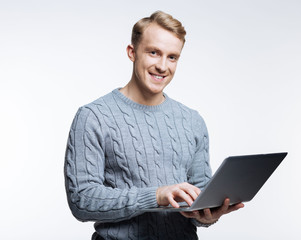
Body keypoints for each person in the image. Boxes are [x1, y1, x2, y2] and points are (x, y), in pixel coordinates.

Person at [64, 11, 244, 240]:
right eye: (153, 53)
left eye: (172, 57)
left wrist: (208, 214)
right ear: (132, 53)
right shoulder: (93, 117)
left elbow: (199, 197)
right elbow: (82, 200)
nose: (162, 66)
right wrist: (156, 196)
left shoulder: (192, 120)